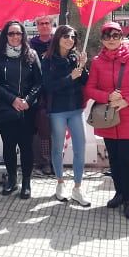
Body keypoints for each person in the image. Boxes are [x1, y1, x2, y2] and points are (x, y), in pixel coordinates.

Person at [85, 22, 129, 220]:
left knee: (126, 159)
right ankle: (119, 193)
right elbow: (89, 89)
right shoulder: (97, 62)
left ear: (121, 37)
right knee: (113, 159)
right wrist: (107, 97)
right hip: (108, 118)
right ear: (102, 39)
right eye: (107, 36)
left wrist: (126, 101)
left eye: (116, 35)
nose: (112, 39)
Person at [0, 20, 41, 199]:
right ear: (5, 36)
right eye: (11, 33)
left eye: (18, 33)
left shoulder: (32, 55)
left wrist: (27, 100)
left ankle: (26, 182)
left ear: (23, 35)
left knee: (26, 147)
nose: (15, 37)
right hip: (6, 109)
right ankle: (12, 179)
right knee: (9, 146)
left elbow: (39, 82)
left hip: (27, 110)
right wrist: (12, 100)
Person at [42, 25, 90, 205]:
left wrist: (83, 67)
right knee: (57, 148)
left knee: (80, 147)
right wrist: (70, 77)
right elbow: (48, 86)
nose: (70, 39)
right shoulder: (48, 60)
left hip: (76, 109)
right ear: (58, 38)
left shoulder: (75, 57)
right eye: (66, 36)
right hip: (57, 111)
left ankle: (78, 187)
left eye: (73, 37)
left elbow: (85, 80)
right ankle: (60, 182)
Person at [29, 15, 55, 175]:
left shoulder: (58, 42)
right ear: (36, 26)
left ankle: (50, 161)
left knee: (51, 129)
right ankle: (39, 161)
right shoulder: (31, 44)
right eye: (41, 23)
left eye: (47, 23)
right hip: (35, 91)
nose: (44, 26)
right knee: (36, 129)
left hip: (54, 92)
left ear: (52, 25)